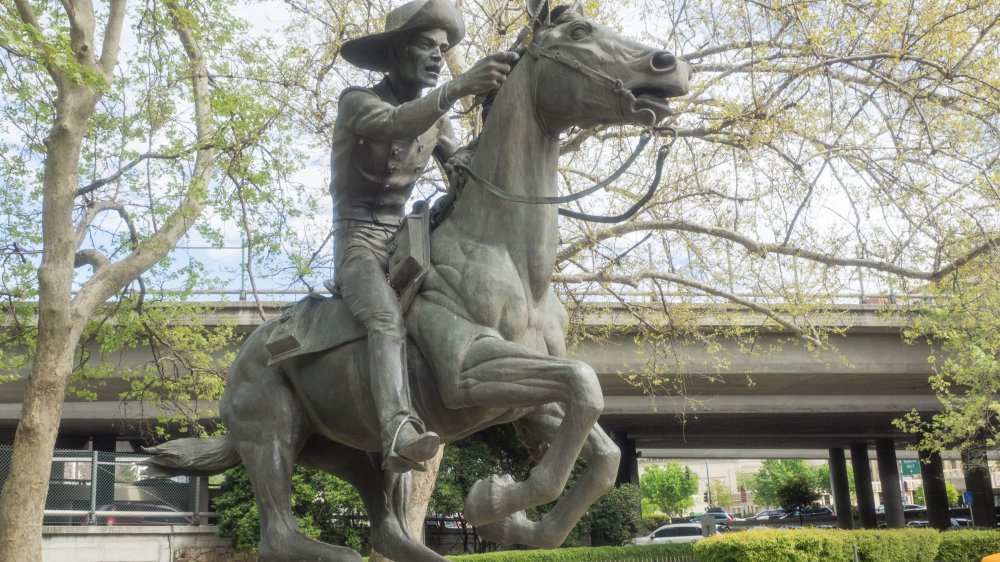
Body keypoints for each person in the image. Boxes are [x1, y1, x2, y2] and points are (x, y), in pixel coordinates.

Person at [331, 0, 518, 473]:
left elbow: (462, 168)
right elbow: (395, 124)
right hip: (358, 243)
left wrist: (508, 108)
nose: (439, 55)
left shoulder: (438, 121)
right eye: (425, 45)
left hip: (406, 243)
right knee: (386, 320)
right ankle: (397, 430)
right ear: (395, 52)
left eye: (443, 48)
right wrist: (458, 87)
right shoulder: (356, 101)